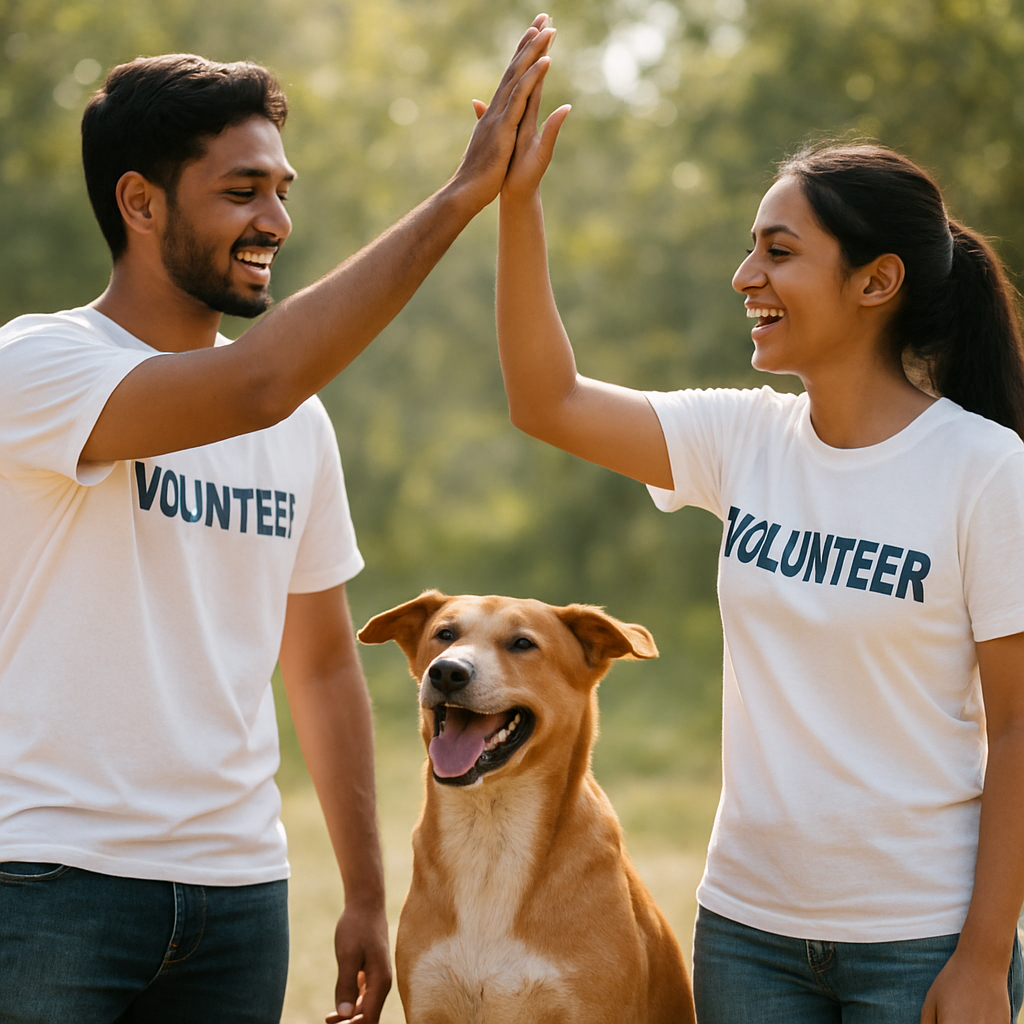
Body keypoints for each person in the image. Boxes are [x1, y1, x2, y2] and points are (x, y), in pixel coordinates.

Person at [0, 16, 555, 1024]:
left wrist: (365, 891)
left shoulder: (297, 423)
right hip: (50, 881)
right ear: (139, 201)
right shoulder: (40, 367)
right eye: (242, 192)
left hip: (238, 895)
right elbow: (253, 382)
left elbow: (323, 663)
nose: (276, 221)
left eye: (281, 191)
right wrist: (460, 196)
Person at [494, 83, 1024, 1024]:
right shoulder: (742, 438)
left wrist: (984, 956)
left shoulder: (983, 470)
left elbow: (1020, 730)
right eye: (751, 248)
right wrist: (519, 203)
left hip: (920, 940)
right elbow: (547, 399)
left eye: (779, 253)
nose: (746, 276)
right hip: (748, 934)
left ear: (876, 281)